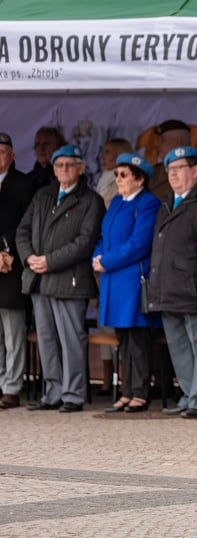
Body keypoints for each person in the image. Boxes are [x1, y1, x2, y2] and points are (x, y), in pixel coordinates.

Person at [17, 144, 105, 412]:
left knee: (71, 339)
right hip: (39, 279)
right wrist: (29, 257)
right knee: (47, 338)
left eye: (69, 165)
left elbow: (85, 242)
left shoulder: (91, 200)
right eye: (59, 165)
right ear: (53, 169)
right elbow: (23, 230)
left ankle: (73, 394)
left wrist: (48, 261)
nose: (64, 169)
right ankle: (52, 392)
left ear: (81, 168)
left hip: (70, 280)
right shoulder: (43, 195)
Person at [147, 146, 197, 418]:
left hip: (194, 289)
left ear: (195, 171)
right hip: (167, 289)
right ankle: (189, 395)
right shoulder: (167, 201)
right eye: (170, 169)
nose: (174, 174)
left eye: (180, 169)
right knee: (179, 347)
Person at [92, 153, 162, 413]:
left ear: (140, 178)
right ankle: (127, 389)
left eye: (123, 175)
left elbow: (139, 243)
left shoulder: (148, 203)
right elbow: (103, 236)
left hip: (132, 281)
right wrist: (97, 256)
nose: (118, 179)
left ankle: (141, 392)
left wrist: (107, 260)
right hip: (114, 280)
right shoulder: (117, 203)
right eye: (116, 175)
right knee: (123, 338)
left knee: (138, 339)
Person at [92, 137, 134, 396]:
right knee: (103, 321)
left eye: (108, 152)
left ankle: (124, 380)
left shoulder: (120, 184)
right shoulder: (103, 178)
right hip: (103, 264)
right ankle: (107, 377)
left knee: (122, 326)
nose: (103, 156)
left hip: (119, 266)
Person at [0, 133, 34, 409]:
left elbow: (27, 224)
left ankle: (11, 386)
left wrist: (4, 247)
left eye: (3, 152)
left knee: (13, 332)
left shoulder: (24, 183)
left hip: (11, 265)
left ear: (12, 156)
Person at [148, 119, 197, 201]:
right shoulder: (154, 171)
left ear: (177, 141)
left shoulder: (196, 173)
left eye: (162, 140)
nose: (158, 145)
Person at [28, 126, 66, 190]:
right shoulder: (28, 180)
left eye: (46, 144)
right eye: (37, 144)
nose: (41, 148)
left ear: (58, 147)